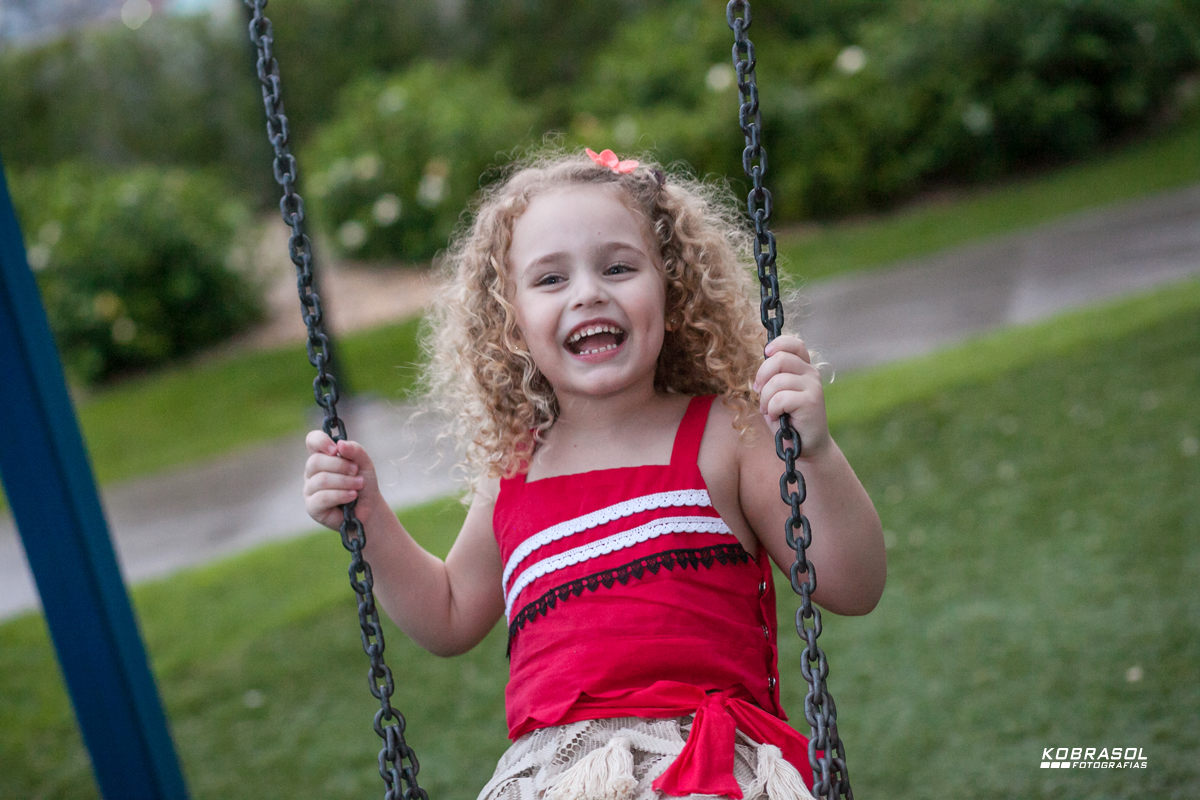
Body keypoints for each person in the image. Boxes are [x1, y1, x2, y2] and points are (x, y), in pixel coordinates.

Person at [303, 147, 886, 800]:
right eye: (551, 280)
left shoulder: (728, 435)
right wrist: (371, 520)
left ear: (671, 287)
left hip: (702, 762)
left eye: (618, 267)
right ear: (511, 321)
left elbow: (852, 583)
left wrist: (815, 455)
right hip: (558, 774)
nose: (588, 293)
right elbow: (448, 613)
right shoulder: (516, 469)